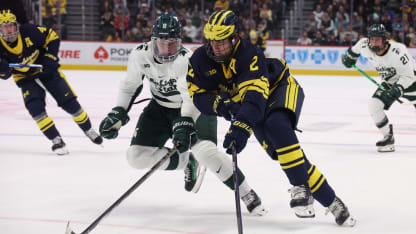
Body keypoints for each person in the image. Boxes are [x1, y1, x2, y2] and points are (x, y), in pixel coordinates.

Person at [187, 10, 356, 226]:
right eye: (212, 41)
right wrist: (222, 105)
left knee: (277, 126)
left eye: (221, 41)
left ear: (234, 36)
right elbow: (198, 95)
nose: (216, 46)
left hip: (279, 88)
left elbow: (255, 98)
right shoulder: (200, 60)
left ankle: (300, 188)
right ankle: (333, 202)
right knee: (290, 157)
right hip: (249, 107)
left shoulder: (249, 53)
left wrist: (240, 128)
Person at [98, 14, 266, 215]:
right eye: (162, 43)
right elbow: (129, 85)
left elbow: (190, 97)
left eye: (172, 43)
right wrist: (118, 111)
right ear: (153, 41)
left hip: (195, 107)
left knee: (206, 153)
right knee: (136, 157)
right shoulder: (139, 55)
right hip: (159, 108)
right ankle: (187, 161)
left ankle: (246, 192)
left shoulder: (187, 60)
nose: (167, 48)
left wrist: (184, 123)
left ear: (180, 42)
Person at [0, 9, 102, 155]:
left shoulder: (30, 31)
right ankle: (56, 140)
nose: (9, 30)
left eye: (11, 25)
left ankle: (88, 129)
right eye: (5, 26)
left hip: (46, 71)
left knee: (71, 104)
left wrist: (51, 57)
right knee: (35, 109)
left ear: (17, 25)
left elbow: (52, 36)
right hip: (24, 78)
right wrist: (2, 70)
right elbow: (5, 75)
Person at [342, 24, 416, 152]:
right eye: (372, 39)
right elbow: (354, 51)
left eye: (378, 40)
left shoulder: (398, 51)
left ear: (384, 40)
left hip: (411, 82)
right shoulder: (365, 45)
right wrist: (349, 58)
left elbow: (409, 75)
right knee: (374, 105)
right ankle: (388, 137)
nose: (374, 43)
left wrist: (398, 88)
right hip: (389, 82)